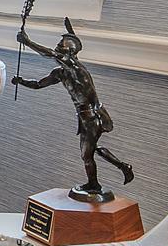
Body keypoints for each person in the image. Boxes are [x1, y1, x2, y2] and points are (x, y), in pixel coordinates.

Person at [13, 17, 134, 201]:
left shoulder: (77, 68)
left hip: (94, 116)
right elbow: (38, 84)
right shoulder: (60, 73)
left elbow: (51, 55)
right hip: (84, 117)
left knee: (87, 154)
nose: (57, 48)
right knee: (89, 152)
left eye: (60, 46)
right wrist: (21, 81)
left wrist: (28, 42)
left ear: (69, 52)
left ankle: (101, 181)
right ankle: (116, 170)